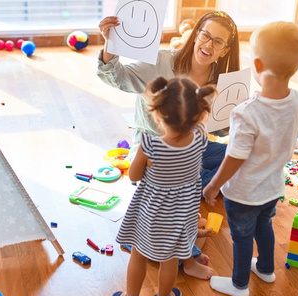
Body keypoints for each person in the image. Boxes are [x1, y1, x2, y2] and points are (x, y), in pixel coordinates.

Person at [203, 22, 298, 296]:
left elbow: (234, 157)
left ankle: (239, 286)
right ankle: (265, 268)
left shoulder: (245, 113)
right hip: (272, 187)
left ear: (258, 65)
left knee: (241, 237)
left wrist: (214, 185)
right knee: (264, 227)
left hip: (243, 193)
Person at [97, 10, 241, 188]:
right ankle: (198, 185)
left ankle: (192, 186)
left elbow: (219, 131)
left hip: (192, 149)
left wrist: (231, 120)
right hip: (154, 150)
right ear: (196, 35)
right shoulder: (162, 62)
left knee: (240, 157)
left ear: (224, 51)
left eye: (218, 42)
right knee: (161, 174)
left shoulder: (223, 82)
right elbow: (117, 76)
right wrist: (110, 44)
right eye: (206, 36)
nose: (209, 45)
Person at [112, 77, 215, 296]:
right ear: (198, 114)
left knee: (138, 254)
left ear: (157, 114)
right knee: (170, 258)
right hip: (181, 214)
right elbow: (200, 121)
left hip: (151, 214)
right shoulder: (200, 137)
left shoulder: (150, 145)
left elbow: (134, 176)